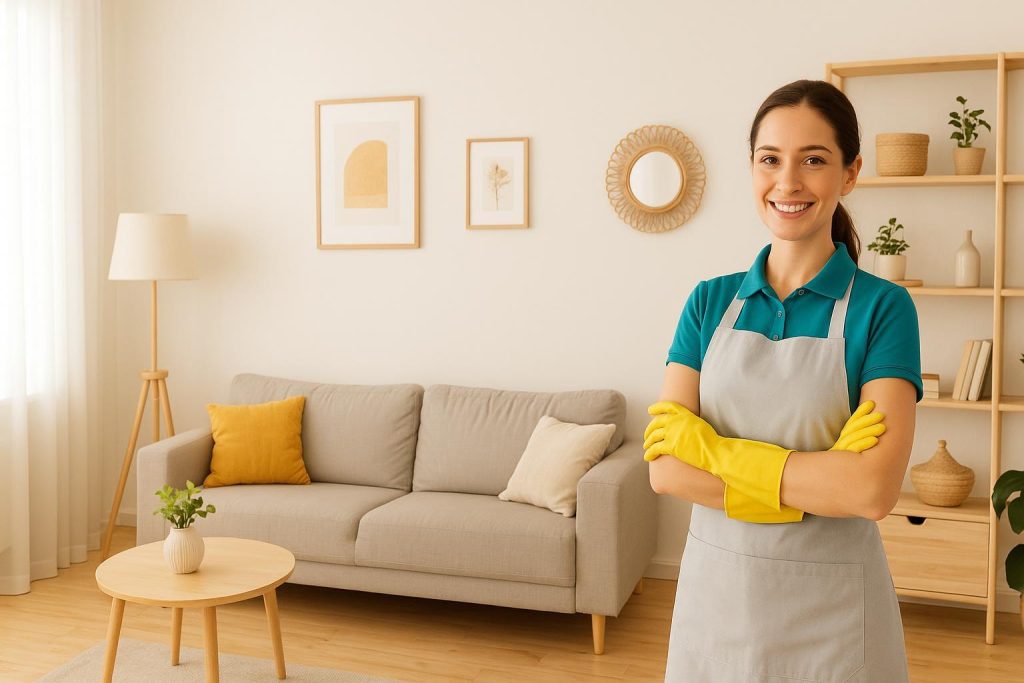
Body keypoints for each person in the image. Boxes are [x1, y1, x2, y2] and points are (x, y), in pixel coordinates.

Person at [644, 79, 923, 682]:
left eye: (813, 161)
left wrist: (713, 452)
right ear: (751, 169)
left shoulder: (884, 309)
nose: (788, 182)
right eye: (770, 160)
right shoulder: (708, 303)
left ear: (849, 175)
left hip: (834, 621)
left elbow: (870, 492)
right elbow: (666, 469)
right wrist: (819, 478)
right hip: (717, 606)